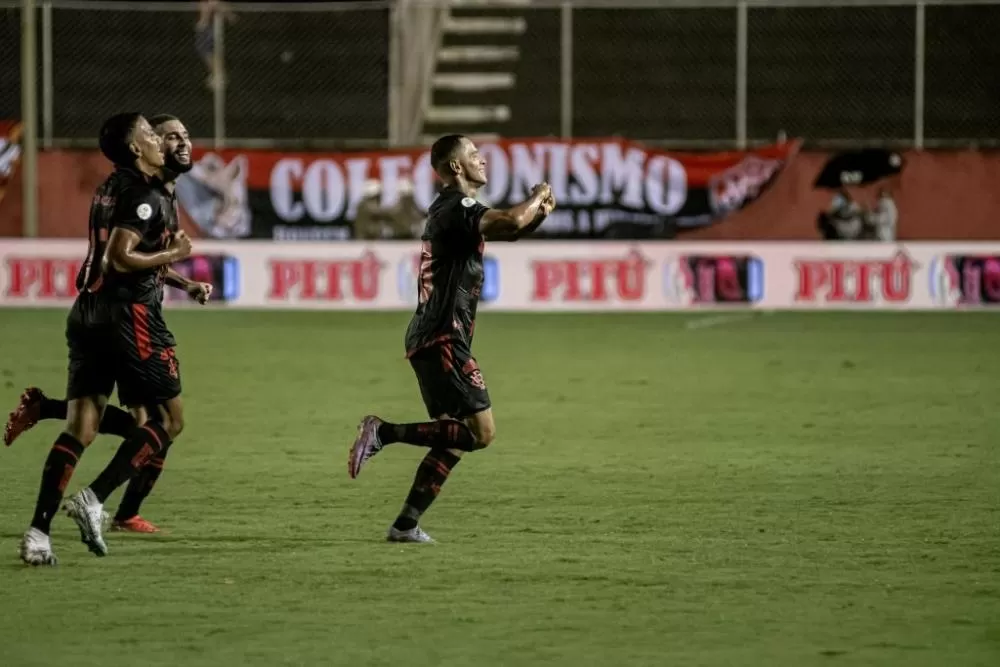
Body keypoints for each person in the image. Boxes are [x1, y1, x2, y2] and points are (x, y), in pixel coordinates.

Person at [347, 134, 555, 543]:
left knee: (454, 439)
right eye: (475, 155)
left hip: (434, 334)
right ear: (456, 167)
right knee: (481, 433)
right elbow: (512, 221)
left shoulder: (455, 212)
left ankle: (405, 525)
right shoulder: (455, 206)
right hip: (443, 336)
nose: (483, 160)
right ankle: (381, 432)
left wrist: (540, 214)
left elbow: (510, 232)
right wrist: (539, 195)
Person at [7, 115, 209, 538]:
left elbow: (118, 257)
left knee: (93, 425)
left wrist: (183, 280)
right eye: (161, 135)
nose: (172, 141)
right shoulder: (146, 195)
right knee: (166, 422)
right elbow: (118, 258)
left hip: (90, 311)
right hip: (129, 315)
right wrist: (173, 254)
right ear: (141, 148)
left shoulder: (115, 187)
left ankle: (39, 534)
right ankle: (95, 501)